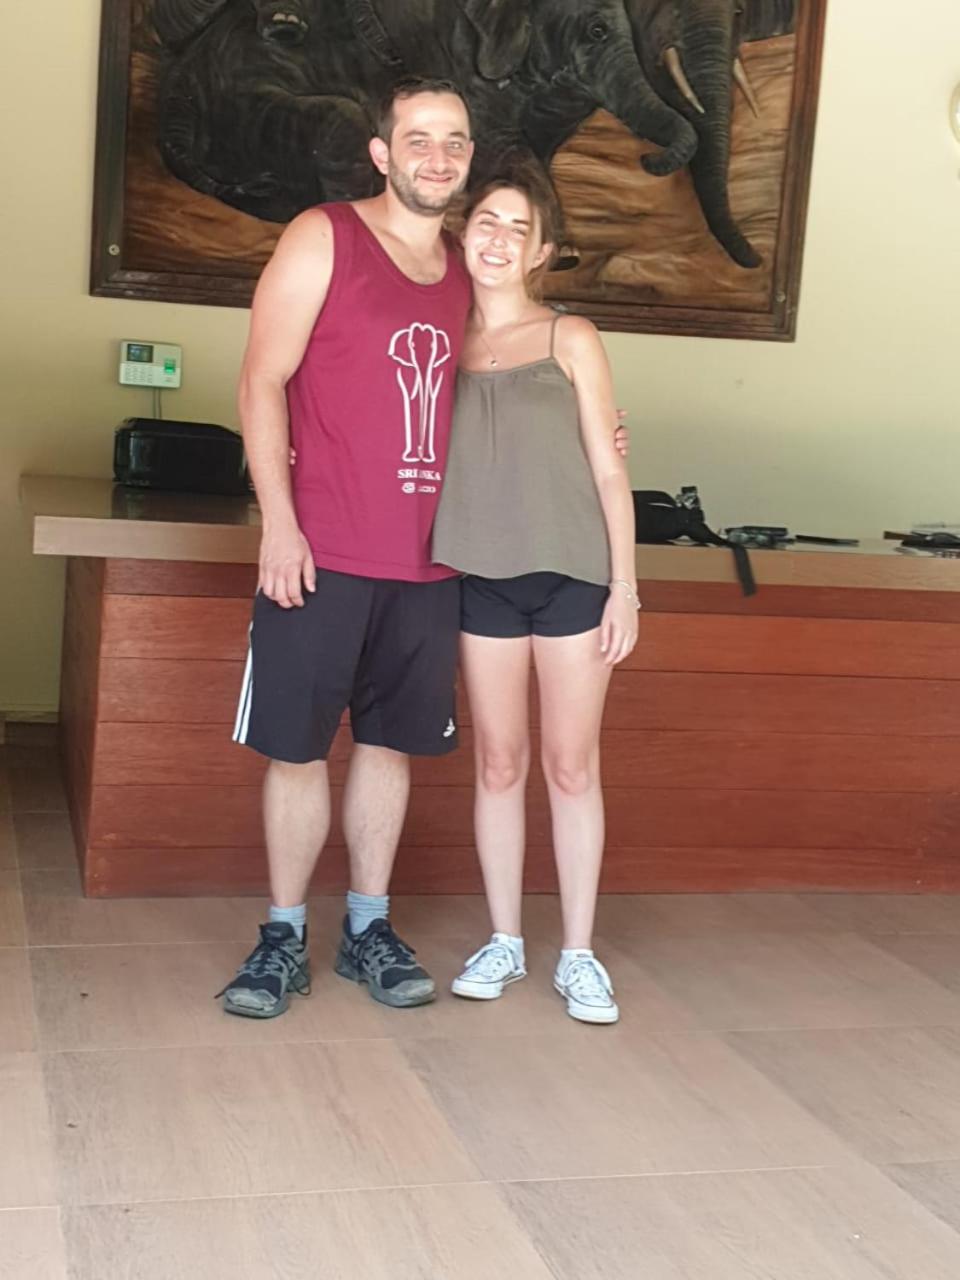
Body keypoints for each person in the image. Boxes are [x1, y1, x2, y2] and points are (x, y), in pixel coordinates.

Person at [220, 75, 628, 1020]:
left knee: (389, 750)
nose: (438, 157)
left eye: (455, 141)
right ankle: (282, 937)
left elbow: (520, 380)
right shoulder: (323, 236)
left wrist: (599, 428)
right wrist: (279, 523)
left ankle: (368, 929)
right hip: (320, 550)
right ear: (381, 152)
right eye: (419, 138)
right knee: (297, 751)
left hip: (432, 565)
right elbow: (260, 381)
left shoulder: (464, 270)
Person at [431, 165, 640, 1025]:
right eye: (487, 220)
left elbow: (609, 466)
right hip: (477, 575)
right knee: (498, 763)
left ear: (542, 251)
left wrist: (625, 587)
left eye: (519, 228)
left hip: (572, 576)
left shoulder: (570, 337)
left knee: (570, 765)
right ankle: (506, 939)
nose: (499, 239)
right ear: (462, 230)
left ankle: (579, 954)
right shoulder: (436, 337)